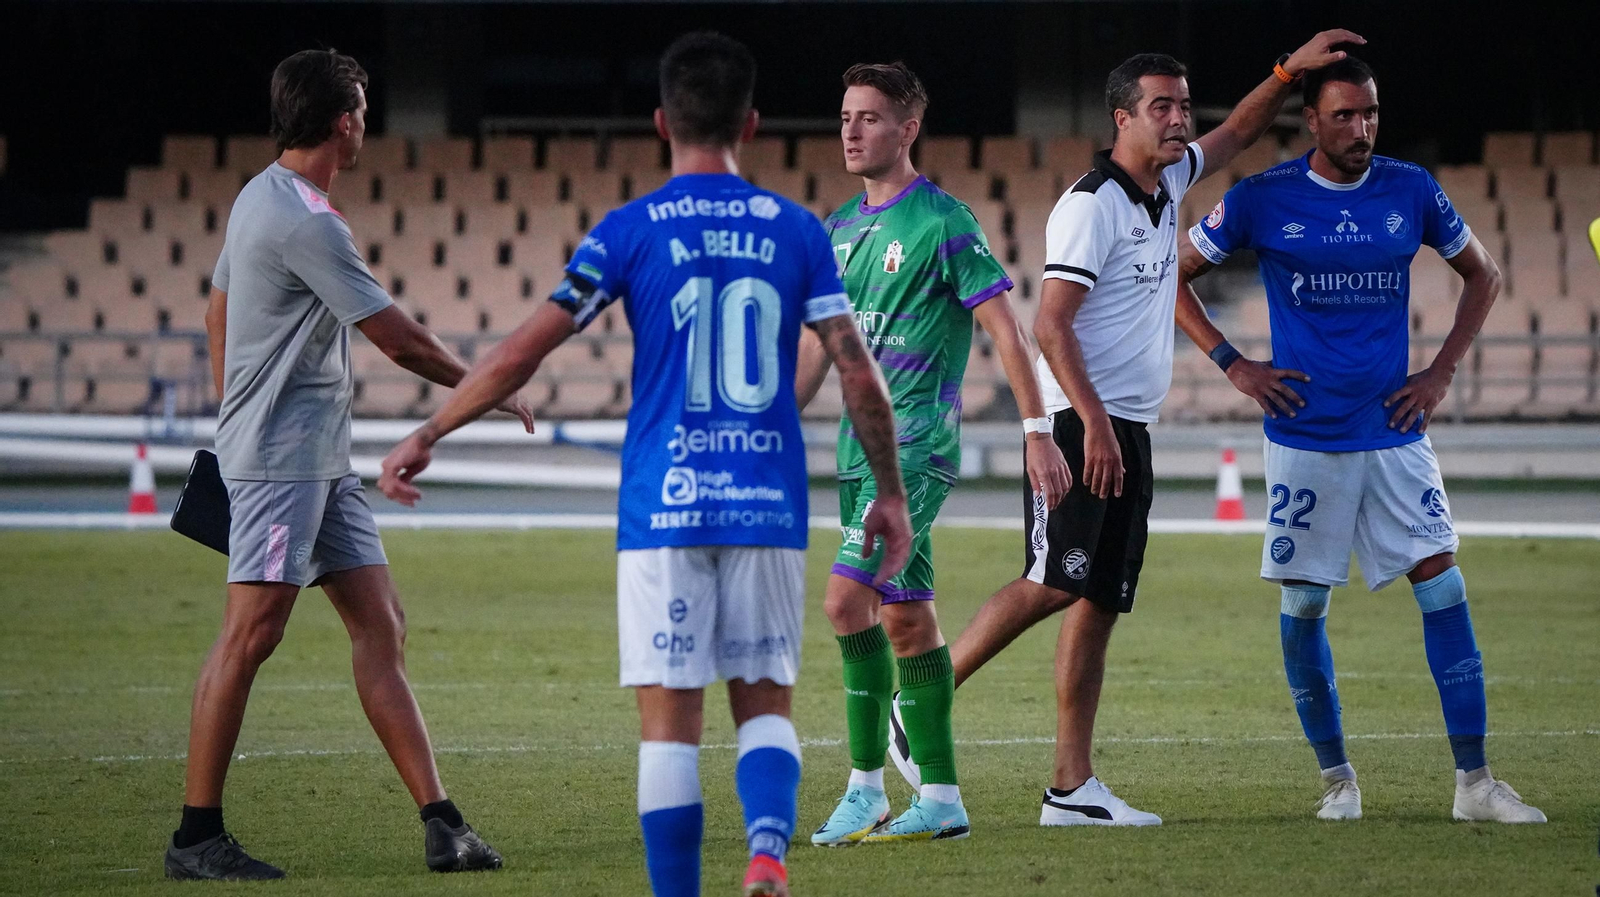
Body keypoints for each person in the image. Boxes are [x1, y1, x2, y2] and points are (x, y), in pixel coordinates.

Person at [377, 32, 913, 897]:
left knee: (669, 726)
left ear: (662, 121)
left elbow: (523, 352)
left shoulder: (627, 231)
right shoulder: (798, 231)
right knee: (765, 704)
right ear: (753, 122)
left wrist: (430, 430)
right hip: (765, 501)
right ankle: (768, 854)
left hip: (662, 503)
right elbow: (857, 370)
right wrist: (889, 492)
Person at [886, 31, 1365, 827]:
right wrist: (1094, 427)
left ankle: (1071, 788)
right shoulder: (1091, 205)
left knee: (1098, 597)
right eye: (1161, 107)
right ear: (1122, 118)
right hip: (1084, 422)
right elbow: (1050, 325)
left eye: (1183, 105)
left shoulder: (1170, 179)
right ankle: (919, 703)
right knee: (1052, 578)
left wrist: (1286, 70)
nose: (1179, 120)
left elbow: (1240, 131)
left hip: (1125, 426)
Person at [167, 49, 528, 880]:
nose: (367, 121)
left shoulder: (261, 194)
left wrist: (234, 401)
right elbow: (398, 338)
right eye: (363, 108)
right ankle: (195, 836)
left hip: (318, 464)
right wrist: (488, 386)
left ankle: (443, 823)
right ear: (343, 121)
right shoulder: (307, 220)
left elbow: (217, 303)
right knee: (250, 636)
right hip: (280, 467)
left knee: (382, 625)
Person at [1177, 56, 1546, 824]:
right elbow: (1166, 275)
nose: (1362, 128)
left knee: (1442, 580)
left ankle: (1475, 784)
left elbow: (1485, 275)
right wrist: (1233, 363)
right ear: (1310, 120)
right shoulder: (1262, 198)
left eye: (1371, 113)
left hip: (1393, 429)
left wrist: (1440, 372)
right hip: (1304, 433)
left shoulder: (1410, 187)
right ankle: (1338, 779)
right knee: (1308, 601)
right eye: (1344, 115)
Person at [797, 61, 1072, 846]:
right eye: (846, 115)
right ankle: (943, 799)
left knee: (845, 602)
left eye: (870, 117)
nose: (851, 130)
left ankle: (863, 787)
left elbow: (1005, 332)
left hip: (916, 444)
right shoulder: (837, 230)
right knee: (908, 623)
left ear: (908, 128)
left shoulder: (944, 221)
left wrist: (1036, 430)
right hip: (858, 453)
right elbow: (816, 356)